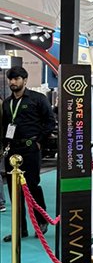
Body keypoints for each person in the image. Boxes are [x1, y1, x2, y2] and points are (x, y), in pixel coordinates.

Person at [2, 66, 56, 242]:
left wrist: (39, 141)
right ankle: (20, 229)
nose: (13, 82)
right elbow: (5, 126)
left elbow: (50, 122)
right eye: (11, 79)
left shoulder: (37, 99)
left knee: (32, 186)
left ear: (25, 80)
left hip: (31, 149)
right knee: (14, 190)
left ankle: (41, 221)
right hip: (12, 150)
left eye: (16, 78)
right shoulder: (7, 103)